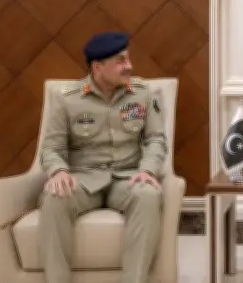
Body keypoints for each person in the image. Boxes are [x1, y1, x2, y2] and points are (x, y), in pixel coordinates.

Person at [38, 31, 167, 283]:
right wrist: (58, 171)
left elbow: (156, 139)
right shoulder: (67, 99)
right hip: (83, 180)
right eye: (120, 61)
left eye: (128, 58)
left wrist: (147, 170)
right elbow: (51, 147)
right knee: (54, 196)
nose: (129, 66)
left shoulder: (142, 93)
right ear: (97, 68)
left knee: (149, 195)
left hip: (127, 178)